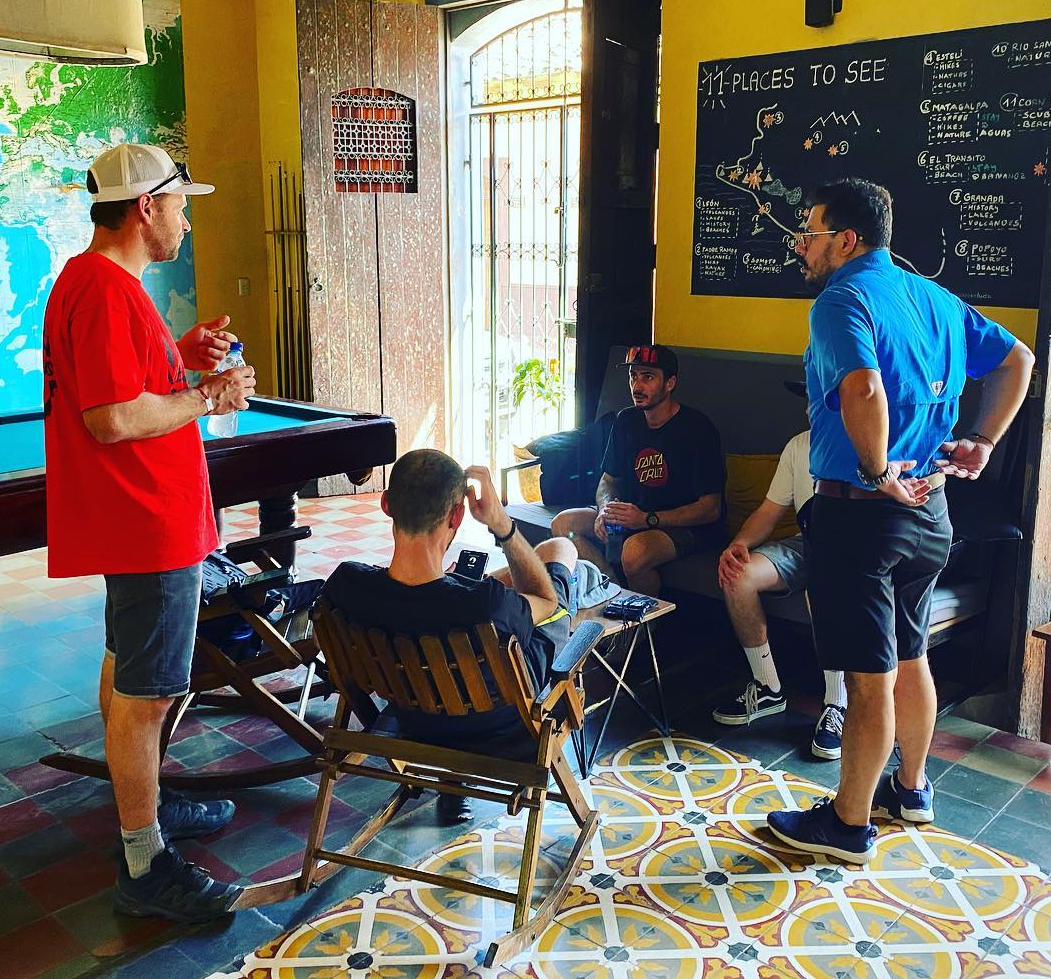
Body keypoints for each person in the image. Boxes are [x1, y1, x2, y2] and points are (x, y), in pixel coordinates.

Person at [765, 178, 1033, 864]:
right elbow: (1017, 359)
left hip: (863, 518)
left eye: (811, 233)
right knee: (911, 656)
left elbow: (863, 388)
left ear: (847, 240)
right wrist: (984, 440)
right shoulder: (933, 297)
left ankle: (848, 824)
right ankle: (911, 790)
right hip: (932, 514)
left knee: (868, 678)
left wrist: (878, 470)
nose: (802, 245)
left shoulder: (841, 300)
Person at [43, 142, 257, 922]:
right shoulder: (107, 290)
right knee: (150, 694)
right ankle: (144, 863)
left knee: (128, 670)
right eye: (179, 205)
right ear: (145, 207)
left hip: (137, 520)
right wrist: (210, 395)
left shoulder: (94, 281)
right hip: (148, 525)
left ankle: (148, 806)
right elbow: (111, 418)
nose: (185, 221)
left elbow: (125, 382)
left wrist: (178, 355)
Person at [321, 449, 579, 824]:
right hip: (505, 732)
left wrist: (461, 585)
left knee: (495, 588)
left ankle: (450, 781)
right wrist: (503, 525)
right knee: (561, 551)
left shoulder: (345, 586)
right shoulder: (486, 606)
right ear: (457, 516)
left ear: (386, 503)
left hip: (413, 720)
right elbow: (546, 600)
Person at [714, 428, 849, 760]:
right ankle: (767, 689)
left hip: (852, 549)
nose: (815, 407)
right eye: (813, 402)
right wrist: (739, 544)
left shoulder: (865, 441)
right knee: (737, 575)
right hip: (806, 542)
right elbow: (769, 511)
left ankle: (837, 704)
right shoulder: (798, 445)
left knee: (824, 584)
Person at [553, 345, 726, 595]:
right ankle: (612, 593)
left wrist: (647, 519)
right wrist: (605, 509)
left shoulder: (697, 429)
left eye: (648, 377)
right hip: (635, 515)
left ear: (670, 383)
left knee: (634, 552)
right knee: (563, 524)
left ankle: (644, 616)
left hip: (688, 526)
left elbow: (710, 509)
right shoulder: (626, 421)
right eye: (633, 376)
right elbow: (607, 481)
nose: (637, 386)